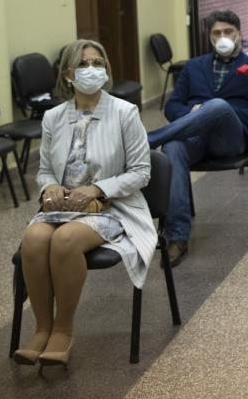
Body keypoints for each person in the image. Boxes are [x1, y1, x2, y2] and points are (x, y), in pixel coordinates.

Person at [14, 40, 154, 368]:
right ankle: (41, 330)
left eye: (98, 63)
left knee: (64, 240)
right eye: (84, 64)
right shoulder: (53, 117)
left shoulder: (124, 112)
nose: (92, 70)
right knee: (33, 240)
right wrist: (48, 187)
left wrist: (97, 189)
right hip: (61, 206)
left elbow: (141, 172)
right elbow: (46, 169)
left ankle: (62, 330)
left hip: (111, 206)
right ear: (68, 74)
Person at [147, 10, 248, 266]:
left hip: (231, 140)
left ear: (238, 33)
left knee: (218, 106)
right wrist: (193, 113)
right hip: (193, 139)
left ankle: (148, 140)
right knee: (172, 146)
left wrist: (219, 111)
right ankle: (176, 238)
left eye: (228, 32)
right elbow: (172, 107)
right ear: (209, 37)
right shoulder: (193, 67)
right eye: (216, 33)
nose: (222, 37)